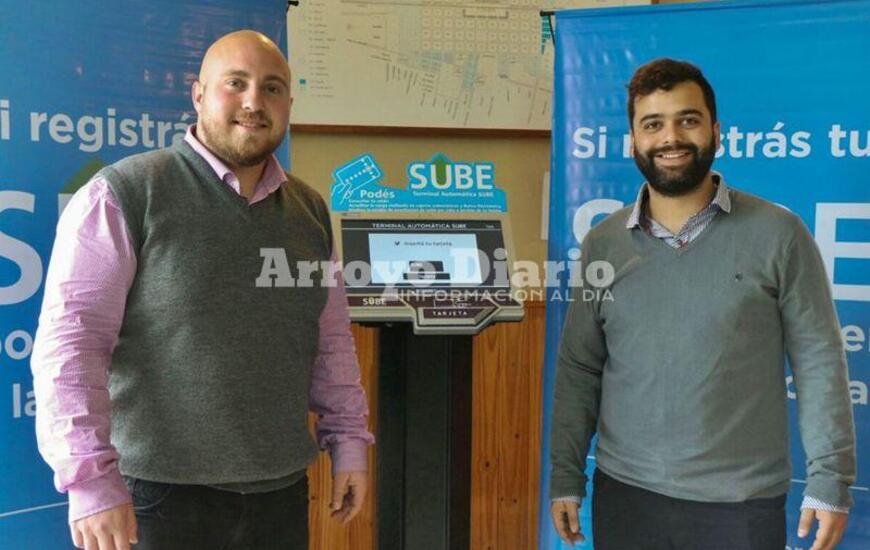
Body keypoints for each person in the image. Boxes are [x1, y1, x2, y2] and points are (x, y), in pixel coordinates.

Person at [31, 30, 374, 550]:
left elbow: (330, 341)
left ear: (288, 103)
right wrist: (91, 480)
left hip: (279, 494)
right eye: (235, 83)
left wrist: (349, 441)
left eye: (273, 88)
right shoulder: (125, 194)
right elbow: (71, 345)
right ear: (198, 95)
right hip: (157, 499)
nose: (255, 102)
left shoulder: (310, 212)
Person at [548, 58, 856, 550]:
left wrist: (829, 480)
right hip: (626, 496)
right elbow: (580, 368)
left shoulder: (779, 234)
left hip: (741, 504)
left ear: (715, 130)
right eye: (653, 124)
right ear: (634, 139)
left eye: (687, 120)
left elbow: (819, 361)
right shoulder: (603, 244)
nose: (671, 138)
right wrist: (565, 475)